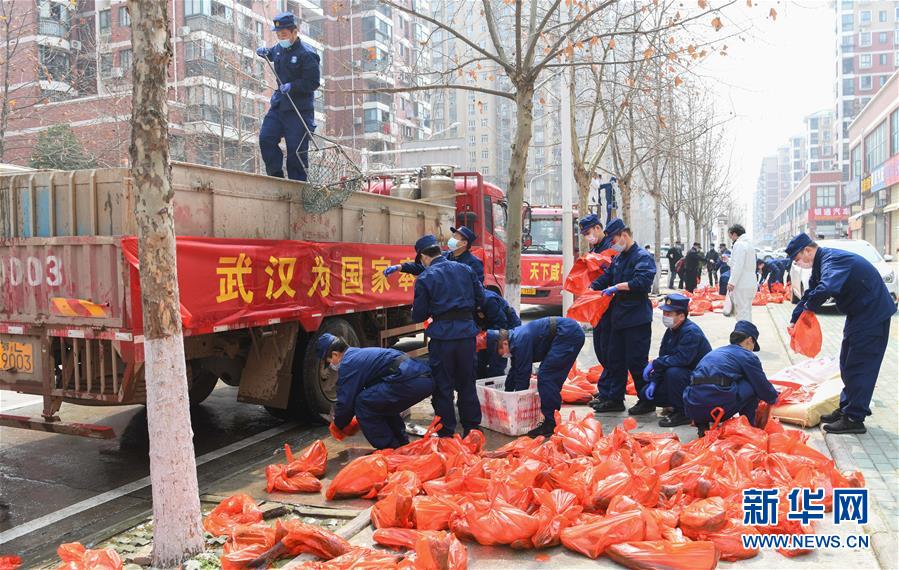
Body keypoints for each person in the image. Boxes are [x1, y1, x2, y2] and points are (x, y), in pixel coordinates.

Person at [786, 233, 896, 434]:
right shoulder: (821, 264)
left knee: (860, 365)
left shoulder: (832, 260)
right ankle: (846, 408)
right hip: (859, 314)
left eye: (798, 259)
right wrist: (796, 317)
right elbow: (811, 291)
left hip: (872, 315)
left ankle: (854, 418)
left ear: (808, 250)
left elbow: (827, 287)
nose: (798, 264)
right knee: (846, 362)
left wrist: (808, 309)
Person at [409, 234, 485, 437]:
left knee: (443, 386)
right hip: (466, 335)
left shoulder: (425, 278)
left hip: (442, 339)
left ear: (424, 257)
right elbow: (481, 298)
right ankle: (472, 430)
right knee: (467, 383)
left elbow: (419, 314)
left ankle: (446, 434)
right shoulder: (465, 269)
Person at [318, 333, 433, 449]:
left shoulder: (347, 363)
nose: (331, 365)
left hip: (410, 380)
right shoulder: (357, 354)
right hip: (422, 378)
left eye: (330, 361)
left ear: (335, 354)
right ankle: (401, 444)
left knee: (363, 403)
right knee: (380, 403)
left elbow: (346, 402)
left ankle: (389, 449)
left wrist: (338, 425)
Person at [588, 224, 657, 415]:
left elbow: (642, 282)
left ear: (624, 235)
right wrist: (591, 288)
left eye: (615, 240)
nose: (613, 244)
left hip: (637, 319)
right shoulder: (619, 258)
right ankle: (614, 399)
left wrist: (617, 287)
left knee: (636, 361)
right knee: (615, 360)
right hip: (619, 318)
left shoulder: (642, 257)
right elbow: (607, 277)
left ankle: (646, 401)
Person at [489, 317, 585, 436]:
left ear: (504, 343)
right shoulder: (514, 341)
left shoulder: (519, 341)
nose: (504, 355)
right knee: (548, 375)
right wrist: (506, 395)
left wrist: (519, 401)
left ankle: (550, 423)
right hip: (565, 333)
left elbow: (523, 374)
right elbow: (515, 370)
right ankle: (551, 416)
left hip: (567, 334)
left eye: (502, 352)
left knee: (546, 377)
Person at [683, 320, 779, 437]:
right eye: (753, 345)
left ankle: (702, 426)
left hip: (693, 406)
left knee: (707, 385)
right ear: (749, 340)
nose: (752, 349)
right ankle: (748, 428)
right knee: (752, 385)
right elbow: (762, 386)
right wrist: (775, 398)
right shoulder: (747, 356)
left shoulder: (718, 352)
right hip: (716, 409)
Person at [256, 12, 320, 182]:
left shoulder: (307, 54)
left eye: (284, 34)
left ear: (294, 32)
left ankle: (297, 187)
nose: (281, 38)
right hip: (279, 106)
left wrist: (293, 86)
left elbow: (313, 82)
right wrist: (265, 52)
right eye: (278, 35)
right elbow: (273, 53)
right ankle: (276, 178)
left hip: (299, 110)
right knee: (266, 138)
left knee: (295, 153)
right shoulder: (279, 49)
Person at [642, 294, 712, 427]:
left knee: (673, 372)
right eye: (664, 313)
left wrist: (655, 363)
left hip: (700, 379)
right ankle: (674, 405)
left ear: (681, 316)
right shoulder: (671, 330)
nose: (665, 316)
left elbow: (682, 360)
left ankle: (684, 413)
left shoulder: (691, 332)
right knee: (646, 393)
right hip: (684, 377)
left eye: (669, 314)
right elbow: (664, 357)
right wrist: (655, 381)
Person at [385, 226, 484, 283]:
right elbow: (422, 267)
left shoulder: (474, 263)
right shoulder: (445, 256)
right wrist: (399, 267)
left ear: (464, 243)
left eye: (455, 237)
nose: (451, 239)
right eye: (452, 236)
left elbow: (477, 288)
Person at [476, 289, 521, 378]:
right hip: (489, 327)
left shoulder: (488, 299)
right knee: (479, 361)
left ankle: (497, 380)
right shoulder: (468, 300)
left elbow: (501, 325)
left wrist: (485, 336)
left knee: (497, 362)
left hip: (506, 328)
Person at [725, 224, 756, 322]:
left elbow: (738, 266)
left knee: (741, 311)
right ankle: (748, 330)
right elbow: (742, 264)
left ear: (734, 234)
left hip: (742, 283)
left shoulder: (739, 244)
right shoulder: (749, 245)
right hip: (750, 283)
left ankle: (742, 330)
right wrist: (728, 261)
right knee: (747, 310)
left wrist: (731, 282)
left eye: (731, 237)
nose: (731, 239)